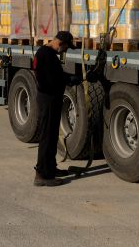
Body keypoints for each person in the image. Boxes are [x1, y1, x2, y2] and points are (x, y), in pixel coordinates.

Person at [33, 31, 81, 187]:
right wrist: (69, 80)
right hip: (48, 100)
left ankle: (51, 168)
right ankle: (42, 175)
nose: (66, 51)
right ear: (60, 43)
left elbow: (55, 75)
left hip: (50, 99)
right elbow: (53, 79)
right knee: (47, 137)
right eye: (66, 48)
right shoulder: (46, 55)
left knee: (52, 135)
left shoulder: (46, 53)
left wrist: (70, 78)